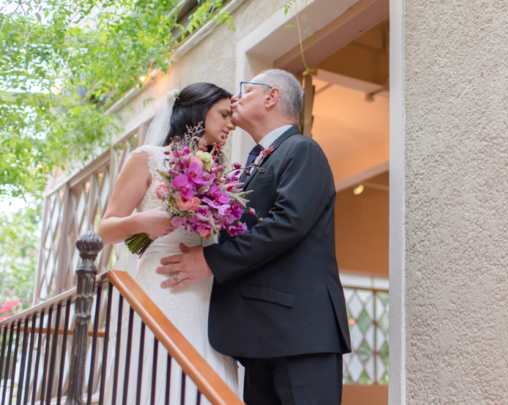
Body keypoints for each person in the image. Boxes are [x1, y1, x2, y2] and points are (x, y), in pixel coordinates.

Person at [156, 69, 352, 405]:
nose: (234, 99)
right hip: (259, 336)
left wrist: (210, 261)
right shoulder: (253, 163)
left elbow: (286, 223)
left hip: (300, 335)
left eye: (244, 91)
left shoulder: (302, 150)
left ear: (271, 96)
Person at [98, 82, 241, 403]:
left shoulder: (218, 175)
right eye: (224, 114)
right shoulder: (148, 158)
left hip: (205, 292)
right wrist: (142, 222)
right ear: (199, 111)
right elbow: (106, 229)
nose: (230, 124)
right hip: (158, 285)